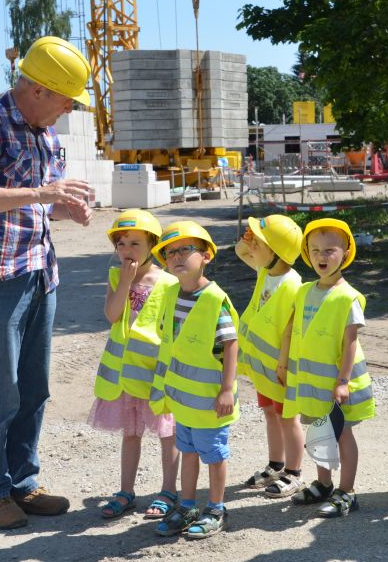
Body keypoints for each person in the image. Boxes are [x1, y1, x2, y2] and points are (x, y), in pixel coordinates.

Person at [0, 36, 95, 530]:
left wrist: (65, 207)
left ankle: (23, 483)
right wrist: (42, 191)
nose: (68, 110)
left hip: (39, 272)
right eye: (66, 100)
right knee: (2, 391)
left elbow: (39, 202)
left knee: (34, 389)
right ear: (37, 88)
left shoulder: (44, 132)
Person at [148, 221, 239, 539]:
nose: (177, 256)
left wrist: (227, 389)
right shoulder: (171, 293)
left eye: (186, 249)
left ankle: (216, 509)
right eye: (170, 252)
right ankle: (187, 506)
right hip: (184, 401)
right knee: (187, 452)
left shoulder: (215, 299)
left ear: (207, 256)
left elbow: (230, 344)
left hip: (211, 402)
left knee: (213, 456)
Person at [88, 210, 180, 520]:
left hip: (157, 375)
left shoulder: (169, 283)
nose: (126, 251)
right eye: (121, 244)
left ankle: (168, 490)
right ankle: (126, 492)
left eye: (135, 243)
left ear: (154, 245)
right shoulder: (116, 276)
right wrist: (125, 282)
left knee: (168, 433)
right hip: (126, 377)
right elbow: (112, 316)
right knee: (131, 433)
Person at [281, 218, 375, 518]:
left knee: (342, 434)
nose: (322, 256)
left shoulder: (348, 297)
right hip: (312, 382)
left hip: (337, 384)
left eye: (330, 250)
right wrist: (284, 364)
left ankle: (347, 492)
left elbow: (350, 342)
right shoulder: (305, 291)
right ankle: (323, 483)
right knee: (319, 433)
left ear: (346, 253)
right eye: (315, 250)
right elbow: (294, 328)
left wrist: (344, 381)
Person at [234, 215, 306, 498]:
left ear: (275, 251)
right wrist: (250, 237)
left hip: (281, 368)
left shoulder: (292, 285)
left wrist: (285, 364)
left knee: (288, 418)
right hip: (264, 368)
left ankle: (294, 472)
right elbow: (241, 251)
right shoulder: (266, 271)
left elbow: (292, 330)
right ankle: (276, 466)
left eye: (258, 244)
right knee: (270, 413)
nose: (251, 249)